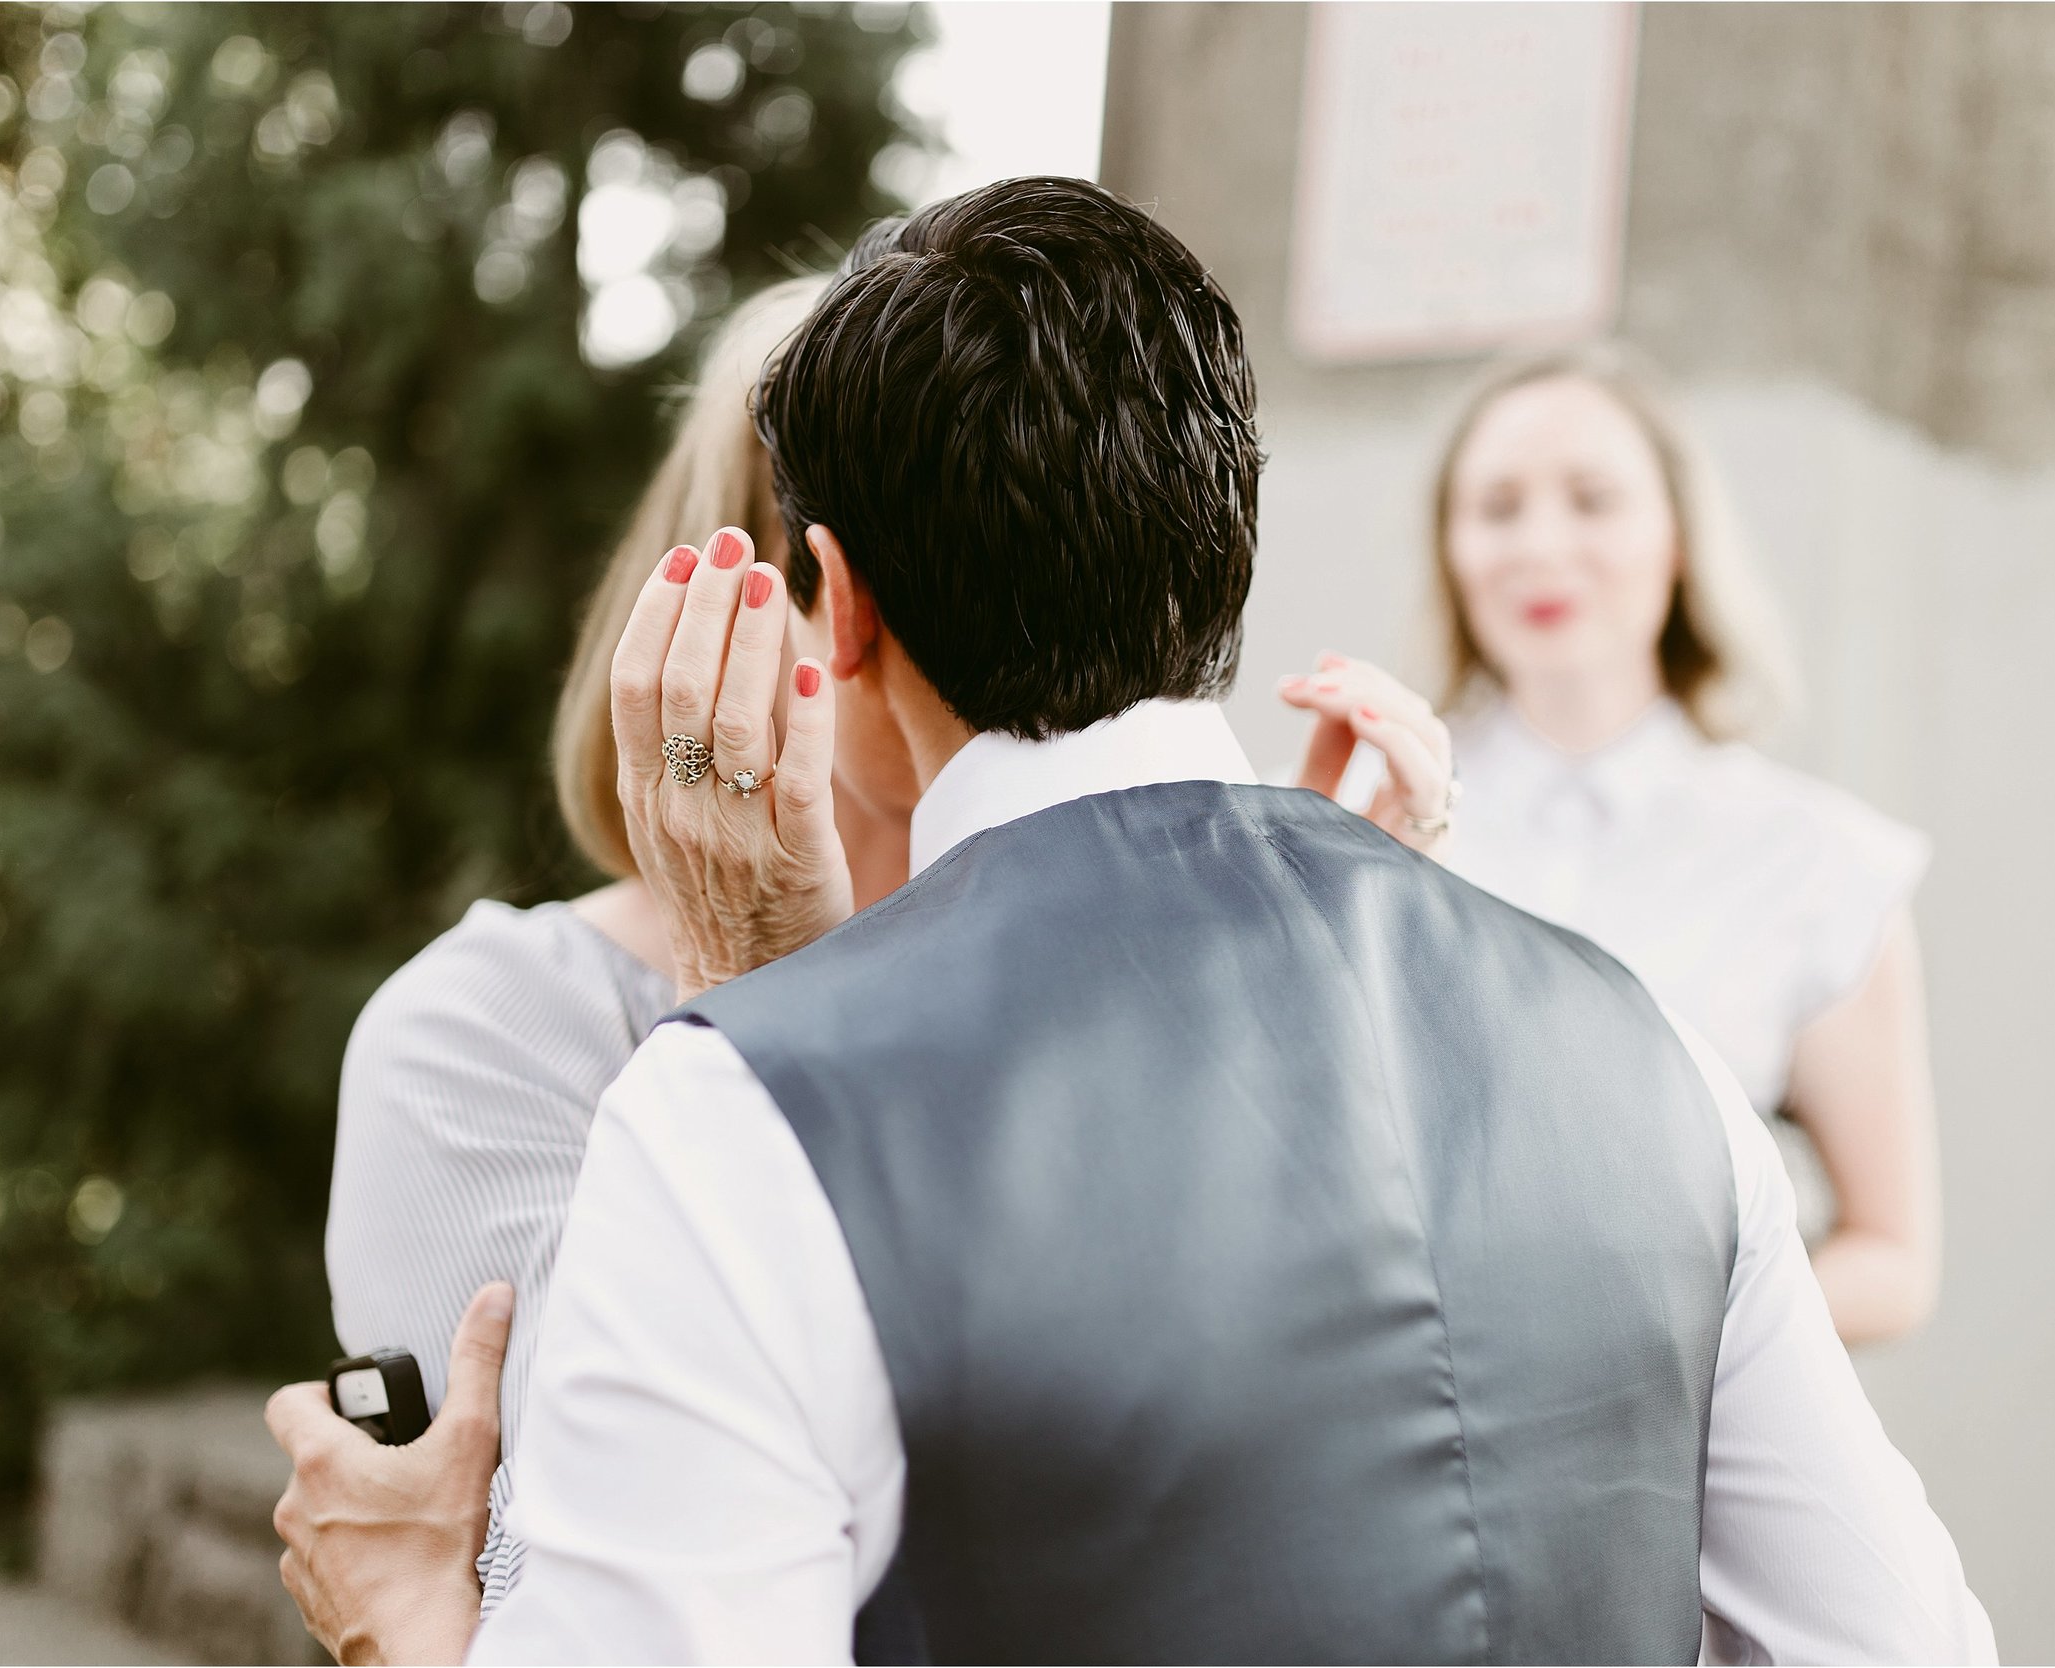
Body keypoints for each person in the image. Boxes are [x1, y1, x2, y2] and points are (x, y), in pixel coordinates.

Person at [270, 177, 1993, 1664]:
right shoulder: (1651, 1051)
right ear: (1223, 554)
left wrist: (418, 1625)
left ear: (839, 603)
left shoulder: (747, 1113)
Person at [320, 275, 1454, 1622]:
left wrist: (1277, 987)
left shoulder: (1116, 978)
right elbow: (597, 1560)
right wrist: (753, 1005)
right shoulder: (482, 1030)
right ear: (747, 603)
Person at [1428, 344, 1943, 1345]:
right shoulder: (1358, 824)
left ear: (1676, 535)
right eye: (1495, 507)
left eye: (1590, 498)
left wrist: (1654, 1340)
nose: (1539, 544)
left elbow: (1892, 1258)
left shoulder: (1819, 865)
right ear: (1451, 550)